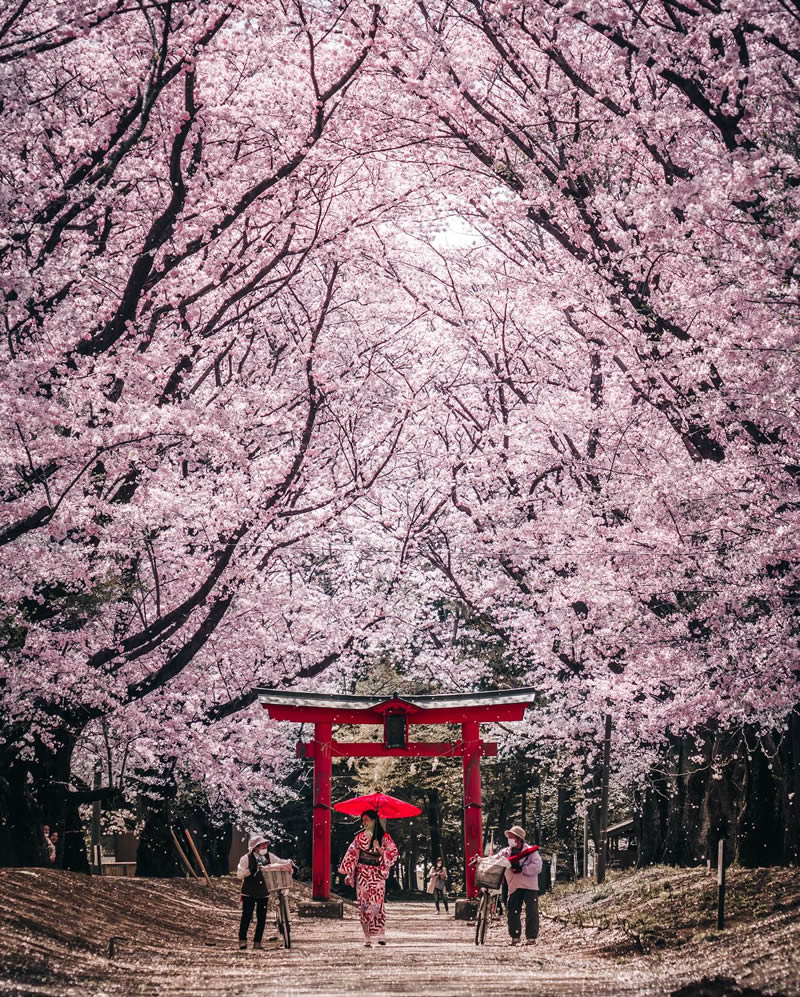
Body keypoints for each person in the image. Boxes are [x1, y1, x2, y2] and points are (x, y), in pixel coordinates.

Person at [338, 809, 399, 946]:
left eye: (366, 819)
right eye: (363, 820)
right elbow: (353, 856)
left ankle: (381, 933)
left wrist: (379, 848)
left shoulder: (385, 838)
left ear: (374, 820)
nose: (364, 822)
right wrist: (349, 873)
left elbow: (393, 854)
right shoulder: (359, 838)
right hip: (363, 874)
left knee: (378, 903)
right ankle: (367, 936)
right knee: (364, 904)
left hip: (377, 873)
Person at [235, 833, 292, 950]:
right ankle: (242, 940)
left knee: (262, 918)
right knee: (246, 916)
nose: (264, 848)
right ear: (254, 848)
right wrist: (250, 870)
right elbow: (240, 875)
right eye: (261, 846)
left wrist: (289, 862)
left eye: (265, 845)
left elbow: (279, 862)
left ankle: (257, 942)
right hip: (249, 892)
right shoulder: (246, 858)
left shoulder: (269, 857)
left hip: (263, 891)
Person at [495, 824, 542, 946]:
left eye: (512, 836)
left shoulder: (531, 852)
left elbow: (537, 867)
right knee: (513, 911)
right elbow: (495, 859)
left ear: (518, 839)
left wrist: (522, 868)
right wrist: (482, 860)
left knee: (531, 911)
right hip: (514, 885)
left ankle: (531, 937)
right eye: (509, 836)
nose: (509, 838)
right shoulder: (505, 852)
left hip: (530, 886)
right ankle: (515, 936)